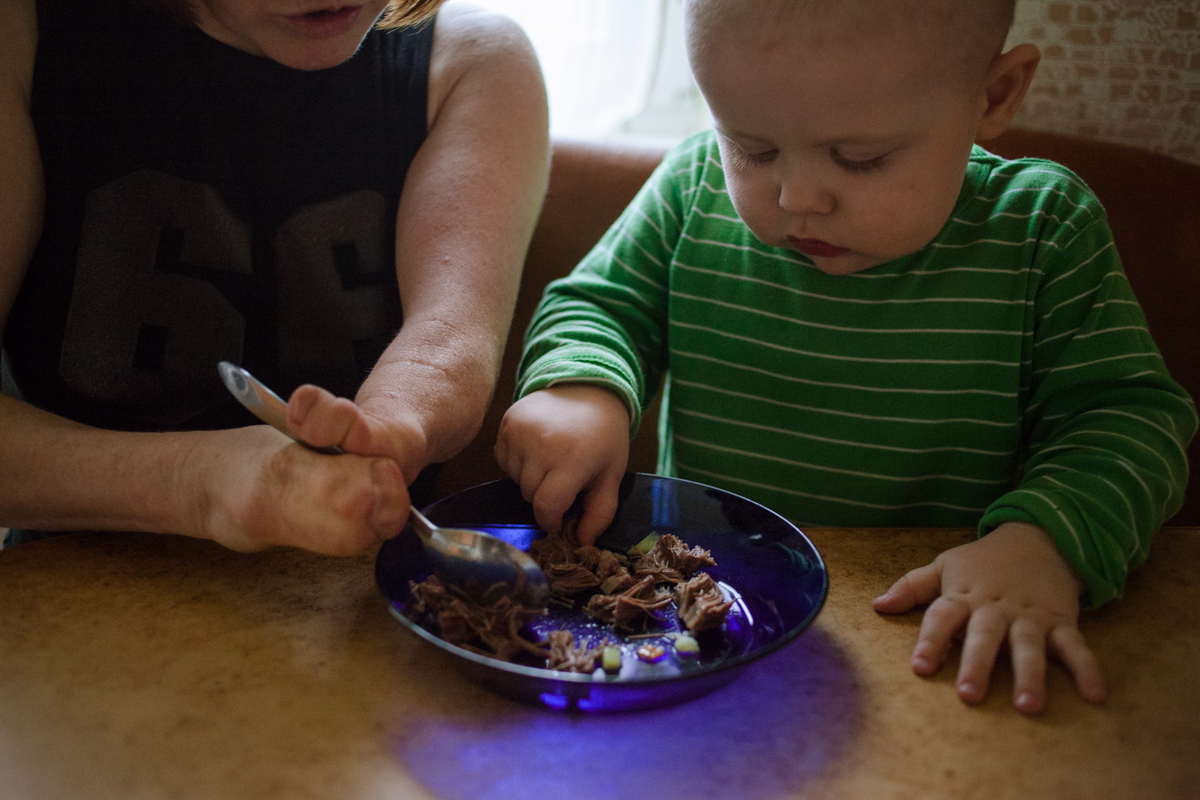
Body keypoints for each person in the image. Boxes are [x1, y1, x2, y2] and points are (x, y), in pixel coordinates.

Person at [494, 0, 1197, 714]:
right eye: (751, 147)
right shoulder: (692, 188)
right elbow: (599, 306)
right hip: (700, 627)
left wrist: (1044, 543)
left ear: (994, 96)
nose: (798, 198)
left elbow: (1126, 420)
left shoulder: (1042, 230)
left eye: (860, 159)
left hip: (924, 639)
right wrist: (581, 388)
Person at [0, 0, 549, 554]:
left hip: (360, 603)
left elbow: (448, 343)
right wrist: (200, 484)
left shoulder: (470, 61)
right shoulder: (25, 35)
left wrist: (389, 427)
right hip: (63, 598)